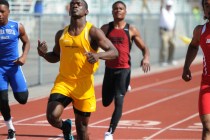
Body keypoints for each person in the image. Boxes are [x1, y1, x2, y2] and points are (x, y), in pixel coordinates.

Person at [37, 0, 118, 140]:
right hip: (64, 82)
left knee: (82, 129)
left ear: (86, 11)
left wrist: (98, 55)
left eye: (79, 4)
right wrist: (43, 54)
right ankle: (65, 127)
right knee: (52, 116)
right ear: (69, 11)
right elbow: (55, 56)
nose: (75, 5)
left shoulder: (93, 32)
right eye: (73, 4)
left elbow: (114, 52)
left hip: (84, 85)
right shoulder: (61, 34)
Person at [100, 1, 150, 139]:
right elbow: (93, 43)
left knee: (119, 101)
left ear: (125, 11)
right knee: (105, 102)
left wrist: (145, 58)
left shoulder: (131, 29)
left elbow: (145, 48)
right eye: (115, 9)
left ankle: (109, 132)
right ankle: (123, 86)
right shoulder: (105, 28)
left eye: (121, 8)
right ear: (112, 11)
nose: (118, 10)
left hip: (124, 70)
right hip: (109, 69)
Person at [0, 0, 30, 140]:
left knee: (22, 99)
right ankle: (10, 128)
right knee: (2, 99)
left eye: (2, 11)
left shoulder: (17, 27)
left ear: (8, 12)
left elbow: (26, 42)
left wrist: (23, 56)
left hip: (14, 67)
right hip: (0, 69)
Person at [182, 0, 210, 139]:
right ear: (203, 10)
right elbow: (193, 46)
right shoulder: (200, 30)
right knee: (207, 126)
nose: (209, 8)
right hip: (207, 82)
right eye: (207, 6)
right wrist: (186, 67)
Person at [159, 0, 177, 66]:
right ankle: (162, 60)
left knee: (173, 45)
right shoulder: (163, 11)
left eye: (170, 6)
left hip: (171, 31)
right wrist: (162, 2)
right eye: (168, 5)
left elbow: (173, 22)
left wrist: (174, 31)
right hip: (164, 31)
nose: (169, 7)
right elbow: (161, 7)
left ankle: (170, 59)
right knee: (164, 45)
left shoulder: (172, 12)